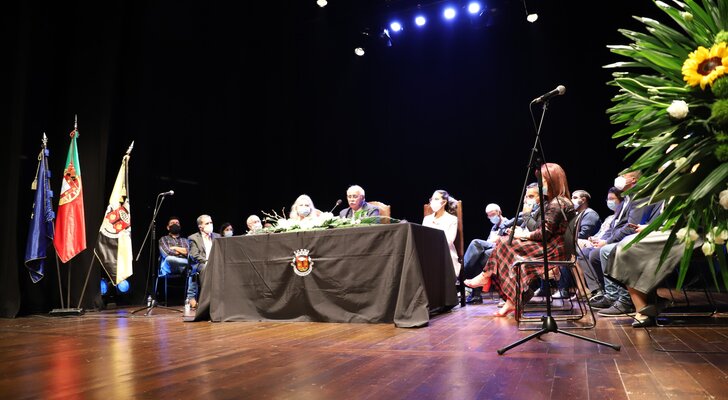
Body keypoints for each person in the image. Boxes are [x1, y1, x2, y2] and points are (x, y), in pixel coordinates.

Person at [464, 163, 576, 317]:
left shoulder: (557, 203)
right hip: (551, 246)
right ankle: (512, 295)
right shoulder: (557, 202)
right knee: (504, 243)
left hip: (552, 249)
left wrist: (521, 235)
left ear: (552, 181)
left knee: (505, 243)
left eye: (542, 180)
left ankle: (490, 279)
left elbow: (543, 234)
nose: (540, 184)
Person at [551, 189, 602, 299]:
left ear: (583, 200)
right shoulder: (577, 214)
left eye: (574, 198)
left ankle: (581, 288)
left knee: (570, 250)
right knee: (564, 250)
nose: (571, 200)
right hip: (578, 244)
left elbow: (584, 234)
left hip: (590, 243)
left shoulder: (590, 214)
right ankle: (580, 288)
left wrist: (566, 237)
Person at [462, 203, 509, 304]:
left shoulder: (507, 223)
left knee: (476, 243)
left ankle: (461, 273)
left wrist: (498, 239)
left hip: (502, 250)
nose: (491, 217)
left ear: (499, 212)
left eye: (493, 214)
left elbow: (508, 241)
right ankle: (476, 295)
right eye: (489, 215)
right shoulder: (494, 228)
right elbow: (488, 242)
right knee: (479, 256)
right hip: (492, 250)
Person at [422, 189, 462, 279]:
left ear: (444, 202)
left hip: (445, 255)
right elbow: (423, 238)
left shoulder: (452, 219)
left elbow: (449, 241)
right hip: (428, 254)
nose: (432, 202)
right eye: (431, 199)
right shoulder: (427, 219)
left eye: (436, 199)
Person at [187, 214, 221, 309]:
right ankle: (206, 300)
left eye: (211, 222)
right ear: (200, 227)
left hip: (216, 262)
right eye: (207, 223)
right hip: (201, 263)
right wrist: (207, 261)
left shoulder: (217, 236)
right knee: (205, 267)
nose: (210, 225)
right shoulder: (193, 238)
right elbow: (194, 255)